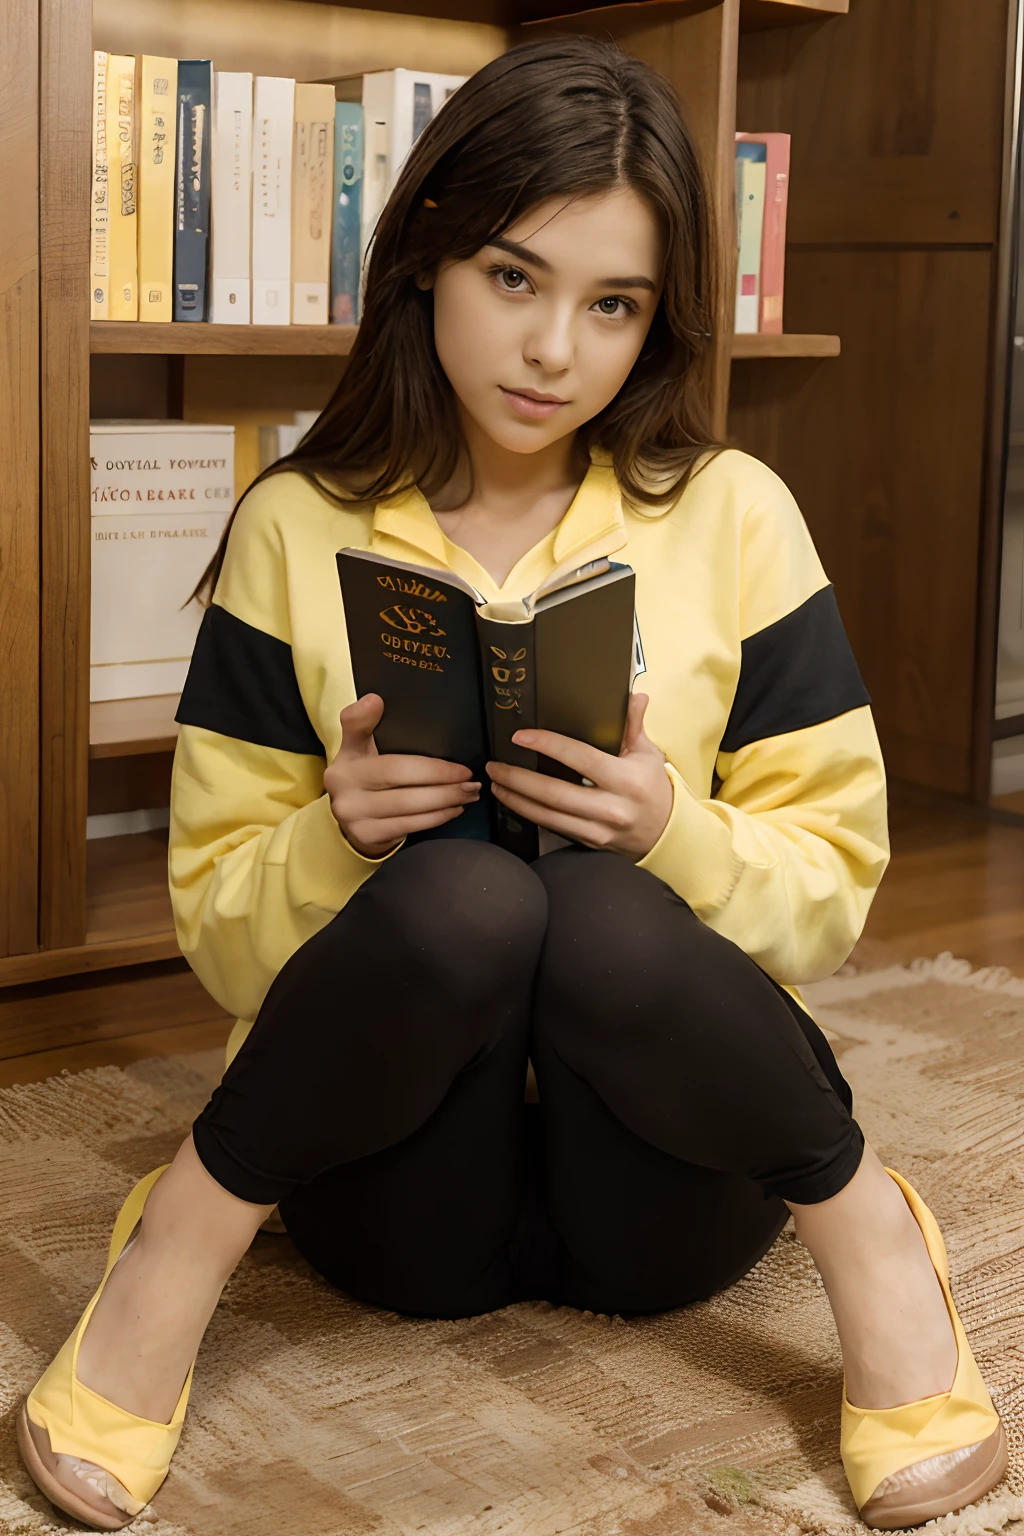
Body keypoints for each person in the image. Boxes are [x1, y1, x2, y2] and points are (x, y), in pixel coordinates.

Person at [19, 36, 1004, 1533]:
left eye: (614, 304)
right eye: (515, 278)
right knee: (469, 897)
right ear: (423, 259)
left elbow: (827, 910)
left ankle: (871, 1232)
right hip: (399, 1188)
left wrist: (675, 827)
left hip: (669, 1182)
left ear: (656, 320)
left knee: (601, 910)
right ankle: (183, 1245)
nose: (557, 351)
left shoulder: (736, 513)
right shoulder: (296, 524)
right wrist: (336, 839)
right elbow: (222, 936)